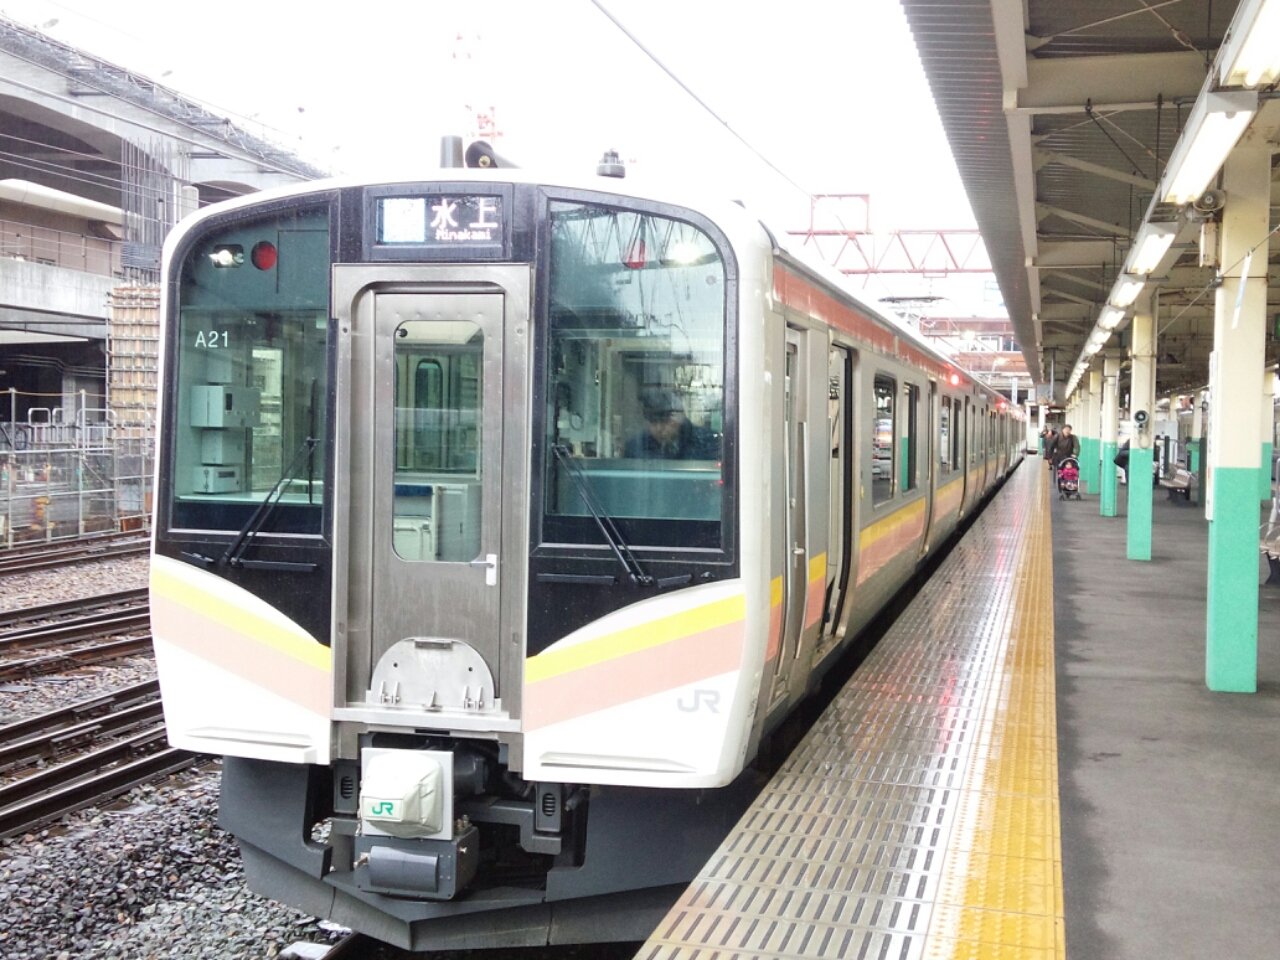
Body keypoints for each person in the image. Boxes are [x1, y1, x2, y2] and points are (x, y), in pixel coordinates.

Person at [624, 387, 719, 460]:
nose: (659, 429)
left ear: (680, 418)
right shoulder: (636, 447)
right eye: (653, 422)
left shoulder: (707, 442)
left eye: (665, 421)